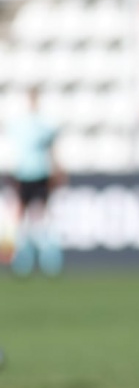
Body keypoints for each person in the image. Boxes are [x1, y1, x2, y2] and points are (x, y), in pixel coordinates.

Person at [3, 86, 66, 276]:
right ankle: (23, 260)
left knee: (39, 218)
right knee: (21, 219)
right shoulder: (18, 124)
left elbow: (52, 149)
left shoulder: (44, 125)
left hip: (39, 175)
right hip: (23, 175)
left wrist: (57, 168)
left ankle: (49, 260)